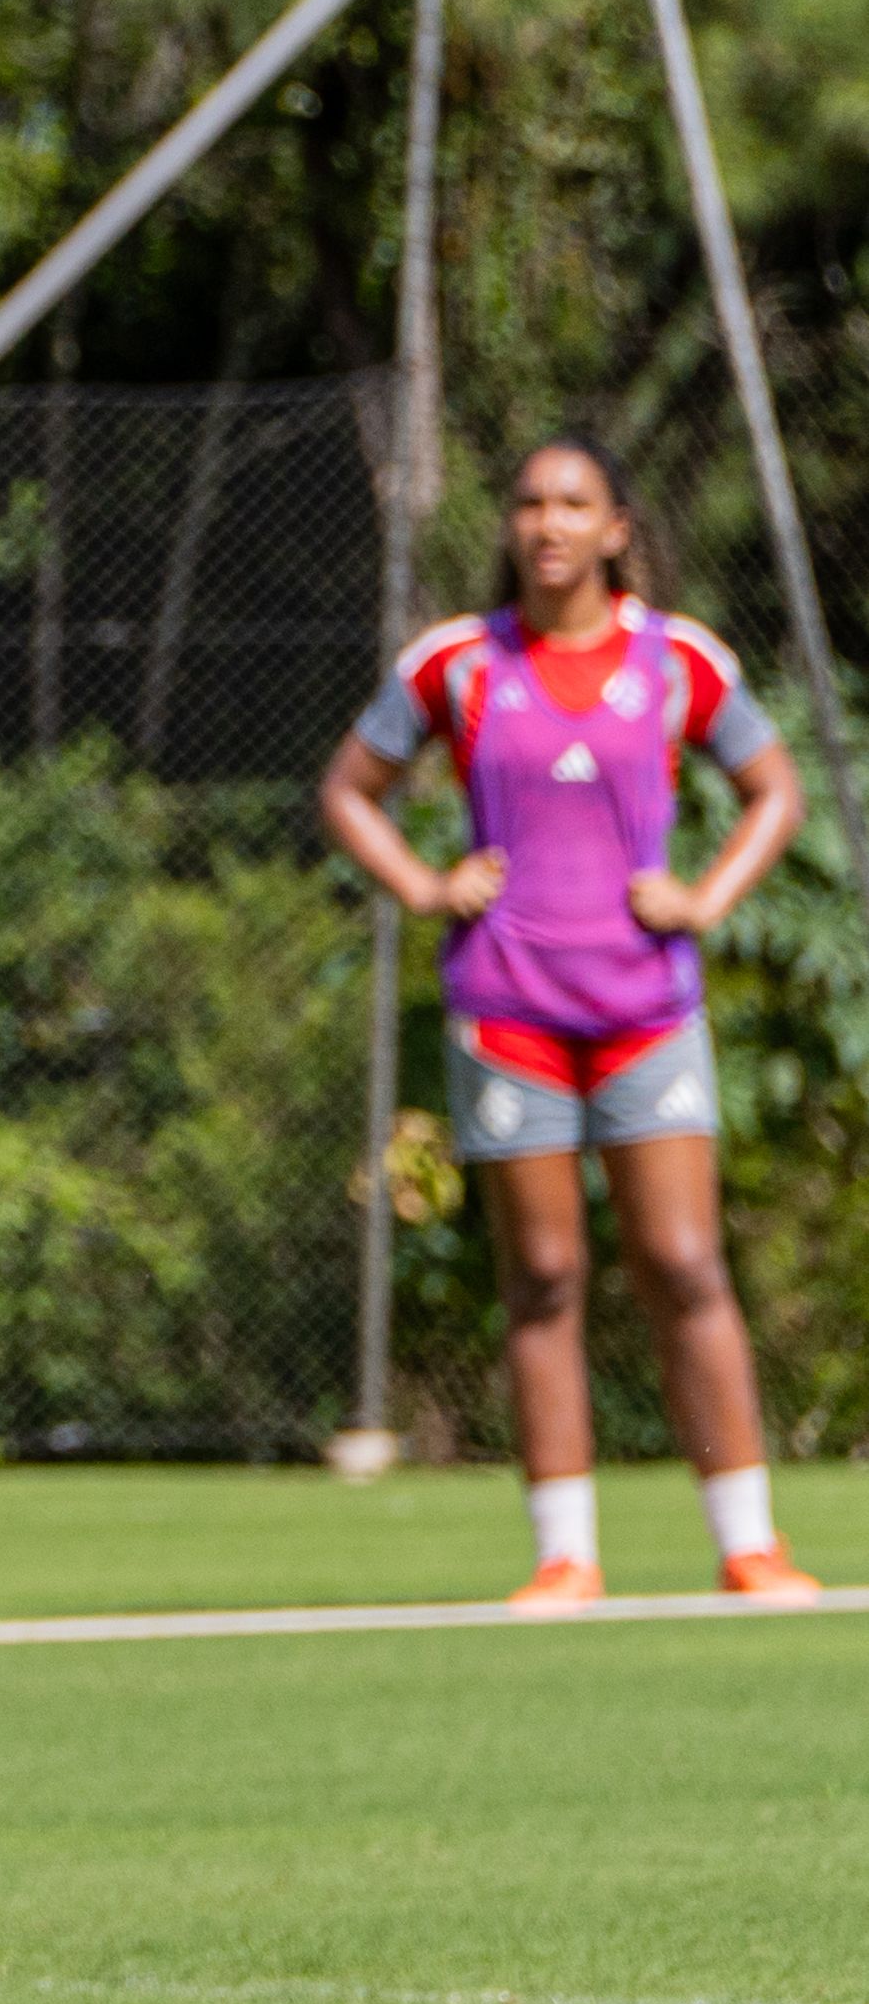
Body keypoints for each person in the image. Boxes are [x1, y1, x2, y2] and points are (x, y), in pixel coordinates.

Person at [320, 433, 820, 1606]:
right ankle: (564, 1553)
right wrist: (427, 885)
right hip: (511, 1010)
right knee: (543, 1272)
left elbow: (775, 789)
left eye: (573, 502)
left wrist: (702, 897)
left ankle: (749, 1542)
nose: (547, 523)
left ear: (616, 529)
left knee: (684, 1260)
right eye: (530, 502)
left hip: (647, 1006)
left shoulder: (676, 659)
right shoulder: (459, 664)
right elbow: (350, 789)